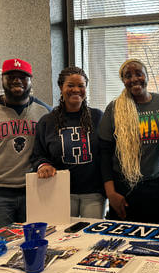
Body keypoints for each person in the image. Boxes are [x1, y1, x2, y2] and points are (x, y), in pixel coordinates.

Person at [0, 58, 51, 232]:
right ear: (2, 79)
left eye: (23, 77)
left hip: (34, 192)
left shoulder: (45, 112)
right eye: (11, 76)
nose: (17, 80)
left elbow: (50, 154)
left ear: (31, 81)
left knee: (37, 244)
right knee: (2, 250)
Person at [99, 58, 159, 224]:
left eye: (138, 73)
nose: (134, 79)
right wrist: (110, 193)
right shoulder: (114, 108)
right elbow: (104, 153)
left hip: (157, 186)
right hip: (124, 188)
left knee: (157, 238)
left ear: (146, 76)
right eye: (127, 76)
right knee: (124, 241)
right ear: (123, 81)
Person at [30, 67, 105, 218]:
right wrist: (44, 165)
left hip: (93, 193)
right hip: (60, 191)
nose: (76, 90)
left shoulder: (98, 117)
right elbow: (37, 155)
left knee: (90, 238)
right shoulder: (47, 121)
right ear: (61, 87)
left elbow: (106, 153)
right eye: (70, 85)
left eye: (81, 86)